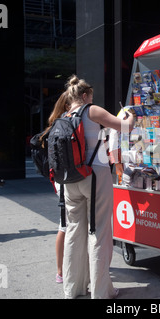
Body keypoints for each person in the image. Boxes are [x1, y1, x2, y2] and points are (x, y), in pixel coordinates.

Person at [61, 75, 135, 299]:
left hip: (70, 180)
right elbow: (125, 127)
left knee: (74, 232)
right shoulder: (91, 110)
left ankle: (73, 288)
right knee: (100, 231)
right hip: (94, 176)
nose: (93, 99)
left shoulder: (65, 115)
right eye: (91, 96)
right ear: (85, 96)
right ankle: (102, 292)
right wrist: (129, 114)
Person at [39, 91, 71, 284]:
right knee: (65, 225)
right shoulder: (63, 126)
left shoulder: (55, 126)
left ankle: (62, 269)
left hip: (62, 180)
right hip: (66, 181)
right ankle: (60, 270)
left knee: (66, 225)